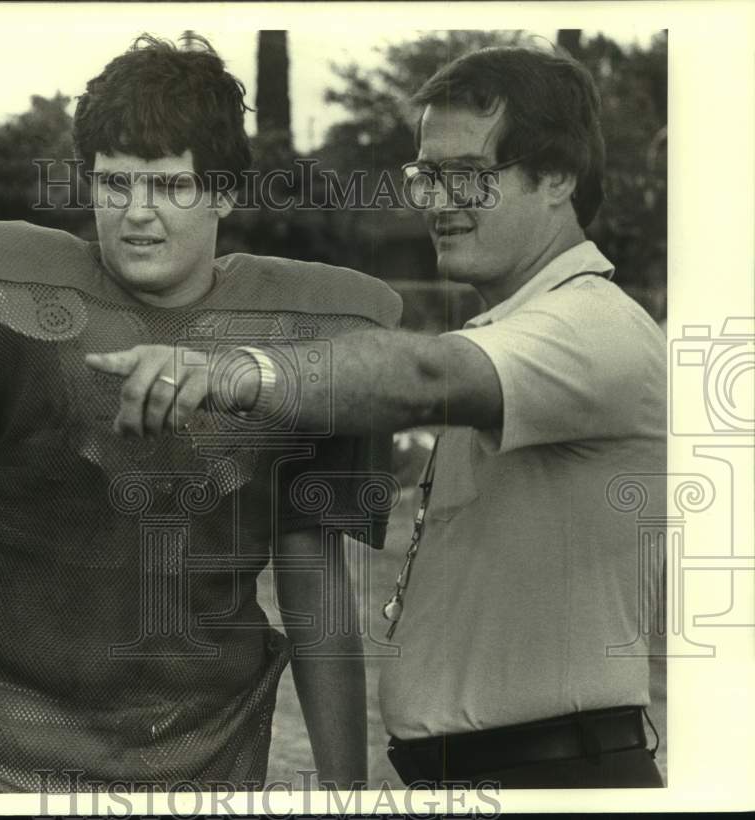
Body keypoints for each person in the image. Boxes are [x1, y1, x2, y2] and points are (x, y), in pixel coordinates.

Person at [88, 45, 667, 788]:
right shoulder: (513, 331)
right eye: (426, 175)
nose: (434, 200)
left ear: (556, 178)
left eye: (467, 176)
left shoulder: (594, 324)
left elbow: (423, 372)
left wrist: (232, 372)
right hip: (488, 772)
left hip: (554, 773)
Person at [0, 34, 402, 794]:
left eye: (170, 187)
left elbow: (312, 570)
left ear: (223, 193)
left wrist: (350, 795)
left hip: (209, 766)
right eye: (116, 184)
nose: (138, 215)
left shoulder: (310, 331)